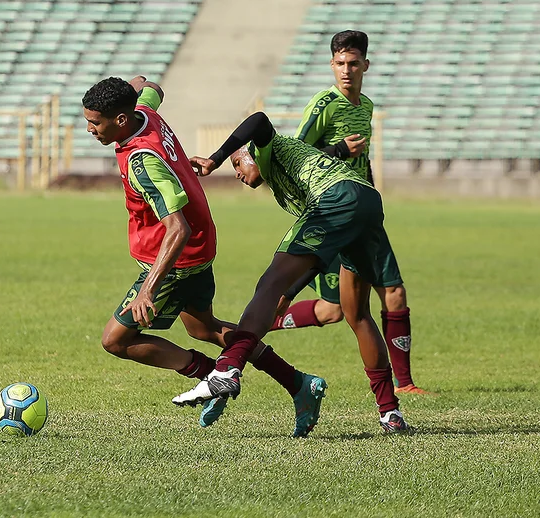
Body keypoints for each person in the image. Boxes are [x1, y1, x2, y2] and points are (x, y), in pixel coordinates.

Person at [82, 76, 327, 436]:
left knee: (115, 340)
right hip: (201, 245)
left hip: (175, 259)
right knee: (204, 327)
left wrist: (150, 286)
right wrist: (131, 87)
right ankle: (298, 383)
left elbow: (176, 228)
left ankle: (210, 374)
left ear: (120, 120)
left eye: (94, 122)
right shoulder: (145, 111)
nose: (89, 129)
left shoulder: (141, 160)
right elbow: (152, 86)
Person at [171, 110, 413, 433]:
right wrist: (291, 291)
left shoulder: (269, 149)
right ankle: (390, 414)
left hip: (337, 198)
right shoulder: (286, 181)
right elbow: (316, 254)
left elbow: (257, 120)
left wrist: (216, 158)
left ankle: (228, 369)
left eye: (238, 164)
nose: (238, 174)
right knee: (356, 313)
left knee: (267, 285)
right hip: (366, 202)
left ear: (251, 154)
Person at [268, 30, 431, 396]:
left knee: (392, 294)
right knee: (333, 311)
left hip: (364, 215)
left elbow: (364, 160)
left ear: (366, 66)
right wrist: (339, 148)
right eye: (340, 63)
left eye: (353, 63)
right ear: (332, 65)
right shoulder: (324, 103)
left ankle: (404, 385)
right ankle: (264, 321)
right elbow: (294, 154)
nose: (346, 70)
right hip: (332, 212)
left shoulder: (366, 107)